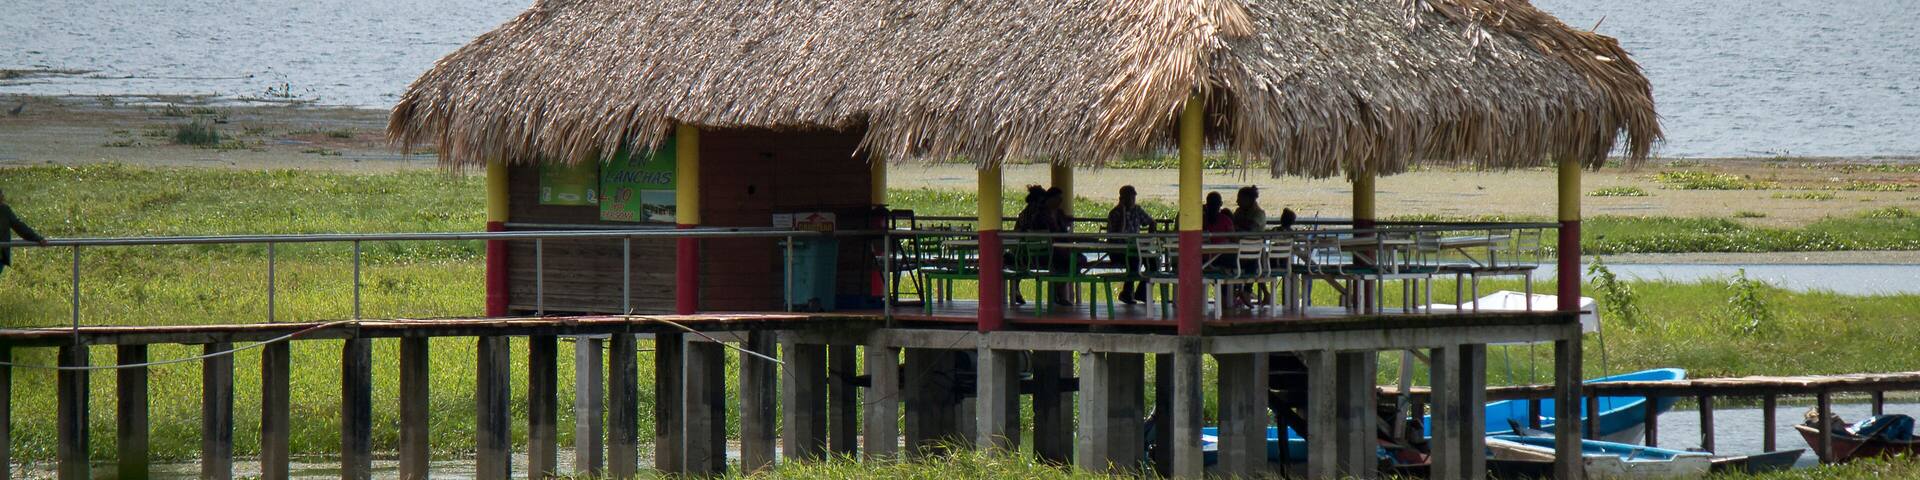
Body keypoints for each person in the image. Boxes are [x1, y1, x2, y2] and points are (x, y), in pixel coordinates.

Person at [1106, 186, 1155, 304]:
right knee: (1134, 261)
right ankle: (1127, 293)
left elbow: (1151, 221)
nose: (1132, 200)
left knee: (1153, 262)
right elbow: (1118, 233)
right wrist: (1123, 212)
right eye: (1129, 198)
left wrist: (1149, 237)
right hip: (1118, 251)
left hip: (1136, 249)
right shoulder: (1114, 213)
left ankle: (1142, 292)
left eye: (1133, 197)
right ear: (1122, 199)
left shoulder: (1137, 210)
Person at [1, 187, 50, 279]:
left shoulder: (4, 210)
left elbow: (19, 227)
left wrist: (37, 238)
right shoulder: (4, 210)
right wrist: (38, 238)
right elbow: (19, 226)